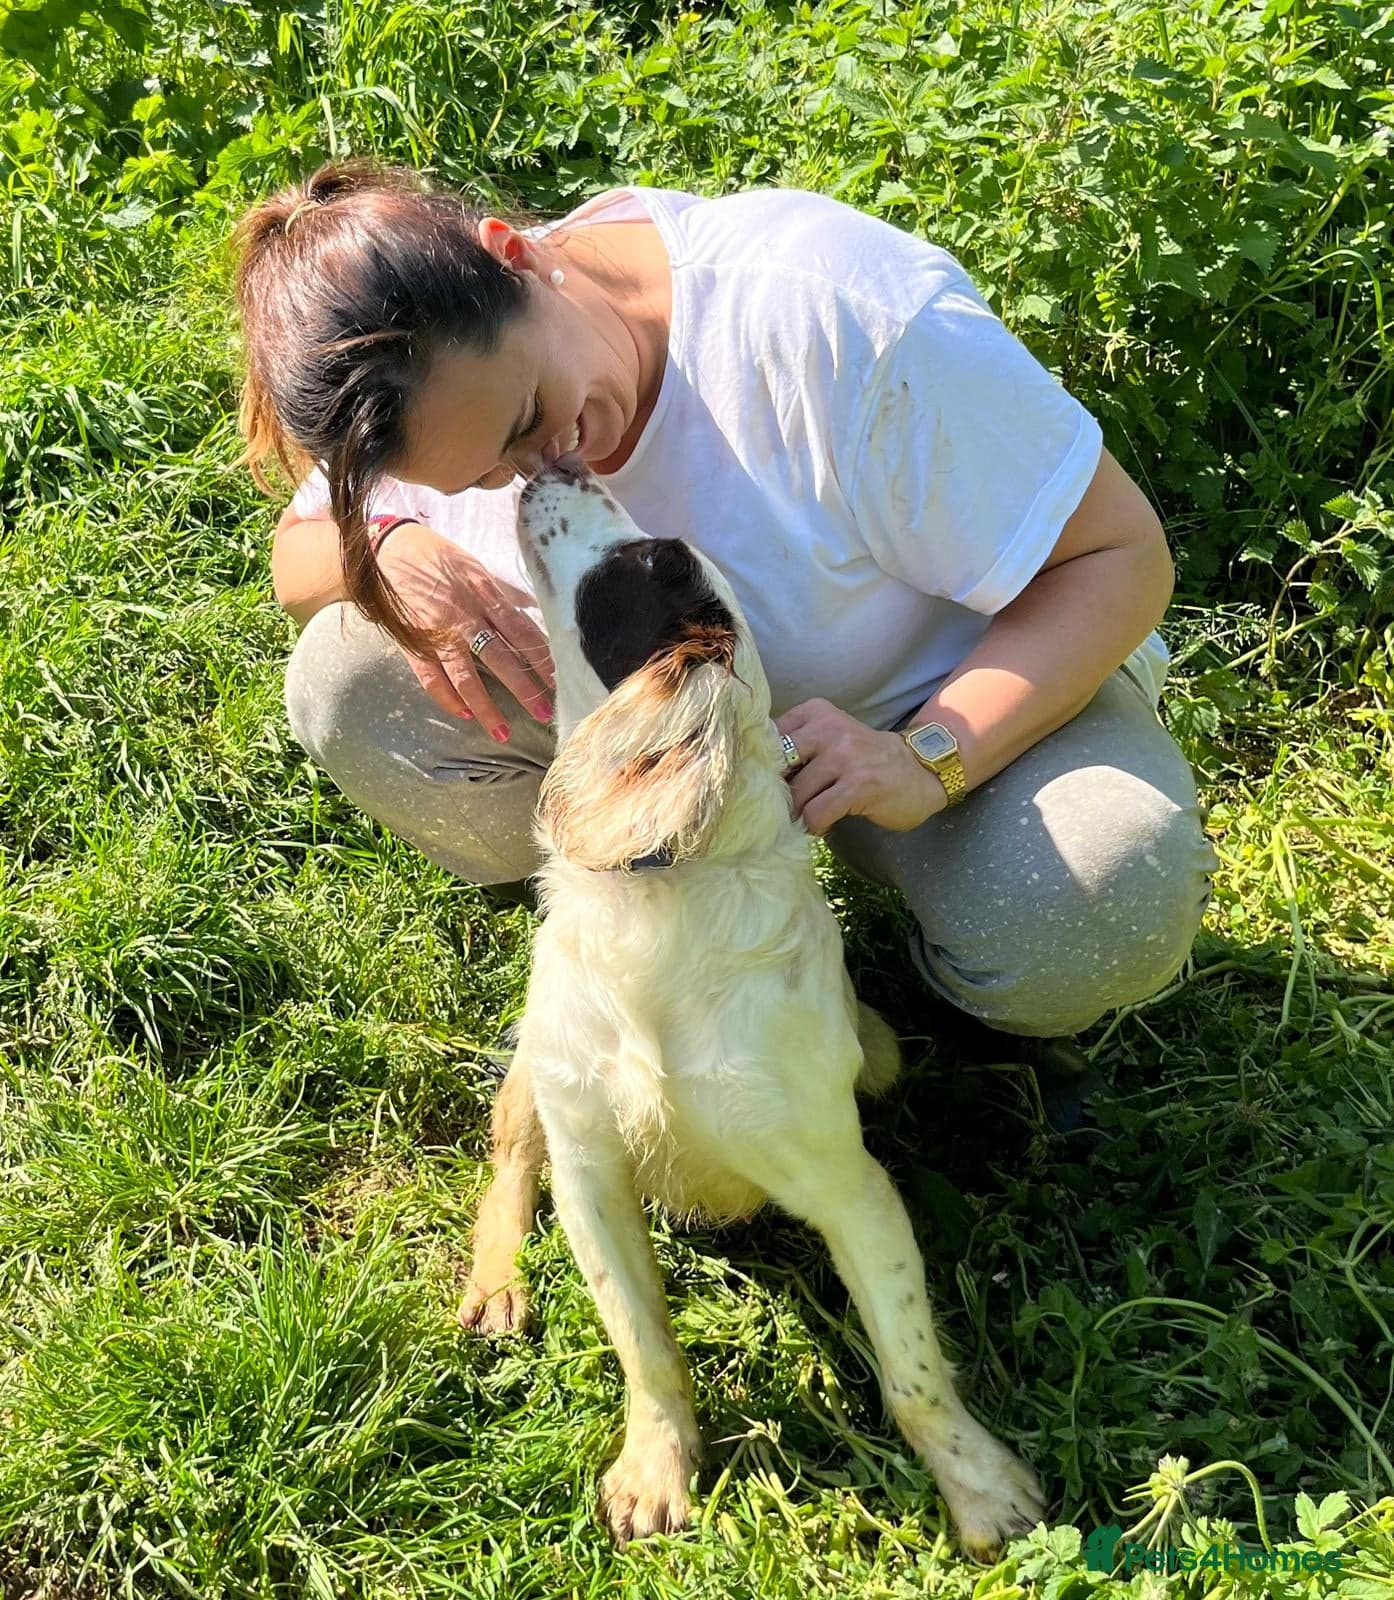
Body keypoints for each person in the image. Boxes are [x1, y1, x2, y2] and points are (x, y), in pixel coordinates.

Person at [232, 159, 1218, 1088]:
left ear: (515, 253)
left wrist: (928, 754)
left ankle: (955, 1002)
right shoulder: (430, 389)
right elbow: (300, 553)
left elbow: (1117, 557)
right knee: (347, 675)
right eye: (477, 476)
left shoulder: (826, 310)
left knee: (1100, 892)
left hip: (927, 710)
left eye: (530, 415)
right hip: (676, 755)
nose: (533, 468)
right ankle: (642, 929)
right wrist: (400, 548)